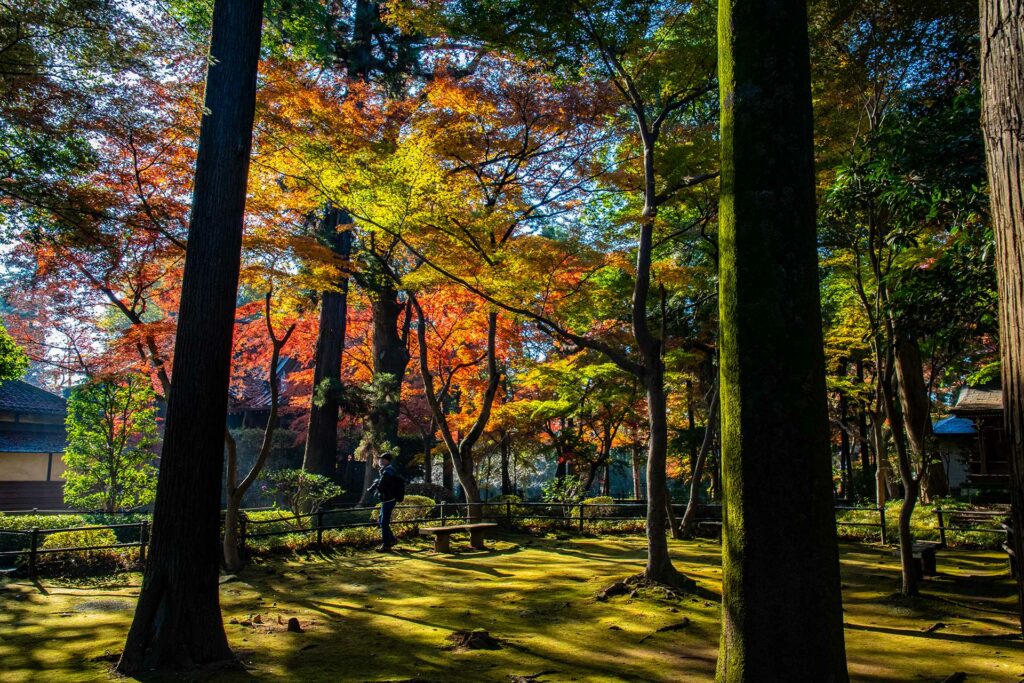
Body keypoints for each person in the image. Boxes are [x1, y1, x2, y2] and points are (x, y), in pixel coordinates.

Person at [367, 453, 402, 551]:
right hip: (387, 499)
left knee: (384, 522)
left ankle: (386, 545)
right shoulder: (386, 470)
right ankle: (392, 540)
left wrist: (375, 487)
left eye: (382, 459)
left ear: (387, 461)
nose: (380, 461)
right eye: (380, 459)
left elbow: (382, 484)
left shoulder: (388, 471)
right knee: (381, 520)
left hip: (388, 499)